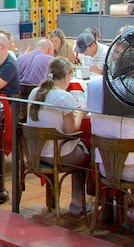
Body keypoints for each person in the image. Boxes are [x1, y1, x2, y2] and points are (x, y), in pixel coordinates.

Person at [26, 57, 91, 216]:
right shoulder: (64, 96)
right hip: (57, 155)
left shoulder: (35, 92)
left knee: (74, 149)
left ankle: (52, 201)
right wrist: (81, 113)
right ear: (68, 75)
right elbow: (71, 131)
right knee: (86, 155)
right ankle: (77, 201)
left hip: (35, 153)